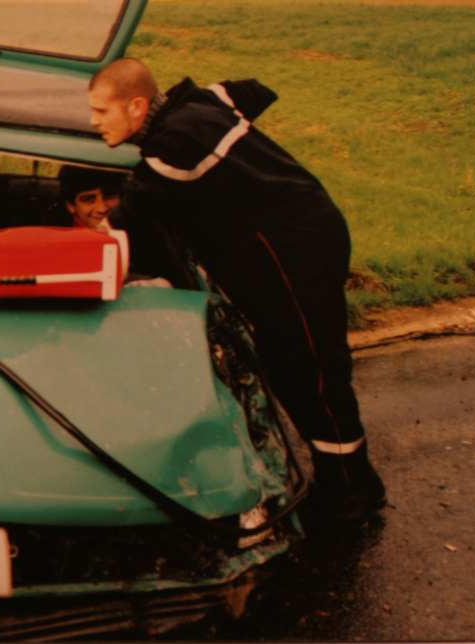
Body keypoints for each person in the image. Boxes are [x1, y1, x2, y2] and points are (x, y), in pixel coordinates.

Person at [87, 58, 386, 525]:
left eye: (101, 111)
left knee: (310, 367)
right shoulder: (202, 103)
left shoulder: (173, 148)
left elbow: (126, 221)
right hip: (306, 230)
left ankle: (352, 492)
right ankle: (347, 480)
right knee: (290, 363)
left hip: (294, 248)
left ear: (138, 106)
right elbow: (252, 89)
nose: (92, 121)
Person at [56, 165, 124, 231]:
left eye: (109, 196)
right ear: (71, 205)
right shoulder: (57, 237)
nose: (102, 209)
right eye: (89, 199)